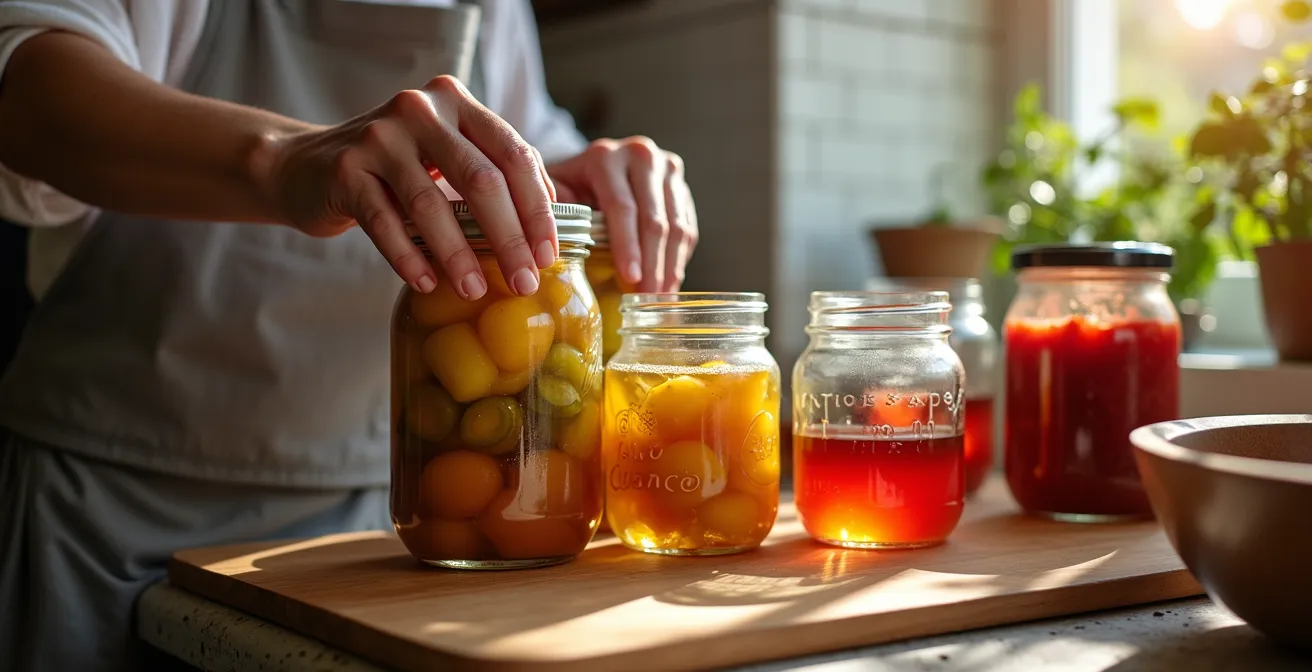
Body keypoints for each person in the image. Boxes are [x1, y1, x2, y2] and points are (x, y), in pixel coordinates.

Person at [0, 1, 698, 669]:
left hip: (378, 519)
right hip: (115, 496)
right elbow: (24, 91)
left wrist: (584, 182)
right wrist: (278, 159)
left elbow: (519, 147)